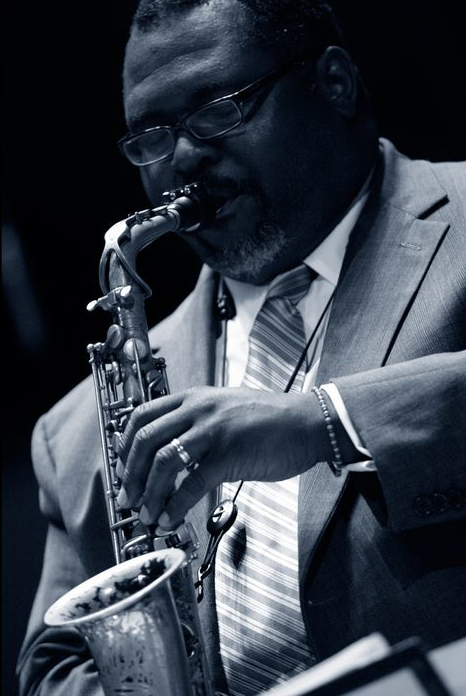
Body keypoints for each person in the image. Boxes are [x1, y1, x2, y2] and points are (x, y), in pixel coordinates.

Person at [18, 1, 465, 694]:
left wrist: (327, 423)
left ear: (335, 83)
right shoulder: (73, 436)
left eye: (217, 110)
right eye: (153, 137)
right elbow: (53, 669)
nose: (183, 159)